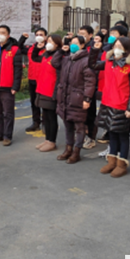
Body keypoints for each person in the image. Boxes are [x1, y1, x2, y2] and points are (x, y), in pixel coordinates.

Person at [89, 36, 130, 177]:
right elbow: (92, 65)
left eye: (120, 46)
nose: (116, 48)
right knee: (111, 133)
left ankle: (121, 164)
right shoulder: (109, 62)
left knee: (122, 135)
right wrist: (94, 50)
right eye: (115, 45)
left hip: (122, 105)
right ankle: (111, 161)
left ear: (126, 49)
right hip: (107, 103)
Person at [52, 35, 96, 164]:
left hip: (78, 98)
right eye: (72, 43)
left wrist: (87, 98)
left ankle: (76, 152)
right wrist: (61, 51)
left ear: (82, 45)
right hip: (65, 97)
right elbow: (55, 63)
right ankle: (68, 149)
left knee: (79, 127)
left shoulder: (86, 61)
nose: (73, 45)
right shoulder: (67, 59)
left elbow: (90, 82)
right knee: (68, 125)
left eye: (76, 43)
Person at [96, 25, 129, 146]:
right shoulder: (109, 57)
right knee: (109, 125)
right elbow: (94, 64)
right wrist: (95, 49)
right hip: (107, 95)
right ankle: (112, 150)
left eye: (115, 33)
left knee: (120, 130)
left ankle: (120, 153)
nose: (112, 36)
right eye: (111, 33)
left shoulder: (129, 63)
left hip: (121, 101)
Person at [30, 34, 63, 152]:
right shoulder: (46, 55)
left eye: (52, 41)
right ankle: (47, 139)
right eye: (48, 41)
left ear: (57, 44)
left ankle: (52, 141)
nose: (49, 43)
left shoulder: (59, 57)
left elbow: (59, 76)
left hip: (51, 90)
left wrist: (56, 93)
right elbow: (34, 58)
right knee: (45, 116)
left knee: (51, 117)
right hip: (42, 88)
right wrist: (37, 47)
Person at [20, 27, 48, 132]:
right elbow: (18, 48)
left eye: (41, 35)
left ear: (45, 37)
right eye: (37, 35)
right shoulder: (31, 48)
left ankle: (45, 123)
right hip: (32, 78)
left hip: (44, 79)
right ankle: (36, 122)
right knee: (34, 102)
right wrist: (23, 38)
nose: (39, 37)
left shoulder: (49, 49)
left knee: (45, 103)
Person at [78, 25, 98, 149]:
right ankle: (82, 134)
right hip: (79, 85)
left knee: (90, 113)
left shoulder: (94, 47)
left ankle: (91, 137)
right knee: (80, 113)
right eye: (79, 33)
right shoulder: (79, 46)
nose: (81, 36)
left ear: (90, 35)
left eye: (83, 34)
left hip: (90, 84)